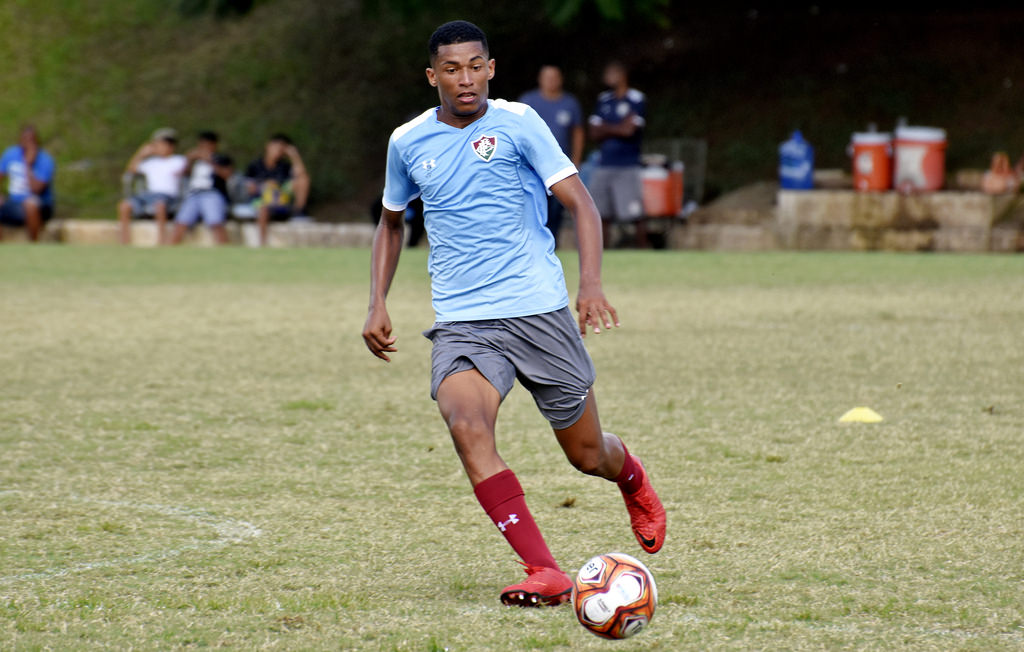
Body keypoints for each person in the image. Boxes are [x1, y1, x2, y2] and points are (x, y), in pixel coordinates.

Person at [362, 20, 666, 608]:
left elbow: (581, 203)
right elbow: (391, 223)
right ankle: (544, 571)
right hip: (463, 322)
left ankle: (631, 477)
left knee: (587, 455)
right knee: (466, 424)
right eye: (452, 69)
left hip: (539, 312)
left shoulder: (520, 123)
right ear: (432, 76)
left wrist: (591, 285)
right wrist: (377, 300)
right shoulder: (408, 141)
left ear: (491, 69)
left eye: (476, 66)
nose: (466, 79)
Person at [518, 64, 585, 248]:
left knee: (556, 207)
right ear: (540, 79)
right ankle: (532, 245)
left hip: (558, 167)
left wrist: (576, 160)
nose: (551, 81)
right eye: (547, 77)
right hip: (531, 166)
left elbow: (577, 132)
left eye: (554, 77)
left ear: (560, 80)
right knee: (533, 205)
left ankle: (552, 244)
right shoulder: (528, 102)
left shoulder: (569, 103)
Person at [587, 61, 648, 248]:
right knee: (600, 211)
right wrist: (619, 127)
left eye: (611, 73)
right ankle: (603, 251)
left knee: (635, 213)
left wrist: (606, 128)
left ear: (622, 75)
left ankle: (643, 249)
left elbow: (629, 131)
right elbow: (594, 133)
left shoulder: (636, 99)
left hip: (627, 163)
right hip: (605, 163)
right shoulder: (604, 99)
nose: (607, 77)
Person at [118, 127, 187, 245]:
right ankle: (125, 241)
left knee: (159, 205)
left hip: (167, 195)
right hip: (149, 195)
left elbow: (185, 171)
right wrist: (141, 154)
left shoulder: (179, 160)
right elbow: (131, 169)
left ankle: (162, 240)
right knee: (124, 206)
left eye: (162, 145)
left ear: (171, 146)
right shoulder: (150, 163)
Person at [244, 133, 310, 247]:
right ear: (268, 146)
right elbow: (249, 187)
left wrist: (294, 156)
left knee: (302, 179)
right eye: (276, 146)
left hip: (281, 200)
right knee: (263, 209)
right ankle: (262, 244)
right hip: (262, 201)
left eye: (282, 148)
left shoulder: (285, 166)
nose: (278, 150)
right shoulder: (255, 165)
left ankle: (299, 212)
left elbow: (301, 175)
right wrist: (264, 186)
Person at [170, 131, 232, 245]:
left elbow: (227, 175)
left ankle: (224, 246)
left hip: (212, 193)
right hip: (194, 194)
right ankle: (170, 248)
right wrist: (188, 160)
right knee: (181, 222)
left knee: (215, 222)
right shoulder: (195, 161)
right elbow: (183, 174)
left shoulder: (220, 159)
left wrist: (209, 160)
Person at [0, 125, 56, 242]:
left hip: (40, 205)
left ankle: (33, 244)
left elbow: (36, 189)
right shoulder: (11, 154)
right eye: (25, 140)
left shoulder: (45, 160)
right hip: (15, 203)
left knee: (30, 204)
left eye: (32, 140)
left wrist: (28, 165)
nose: (28, 144)